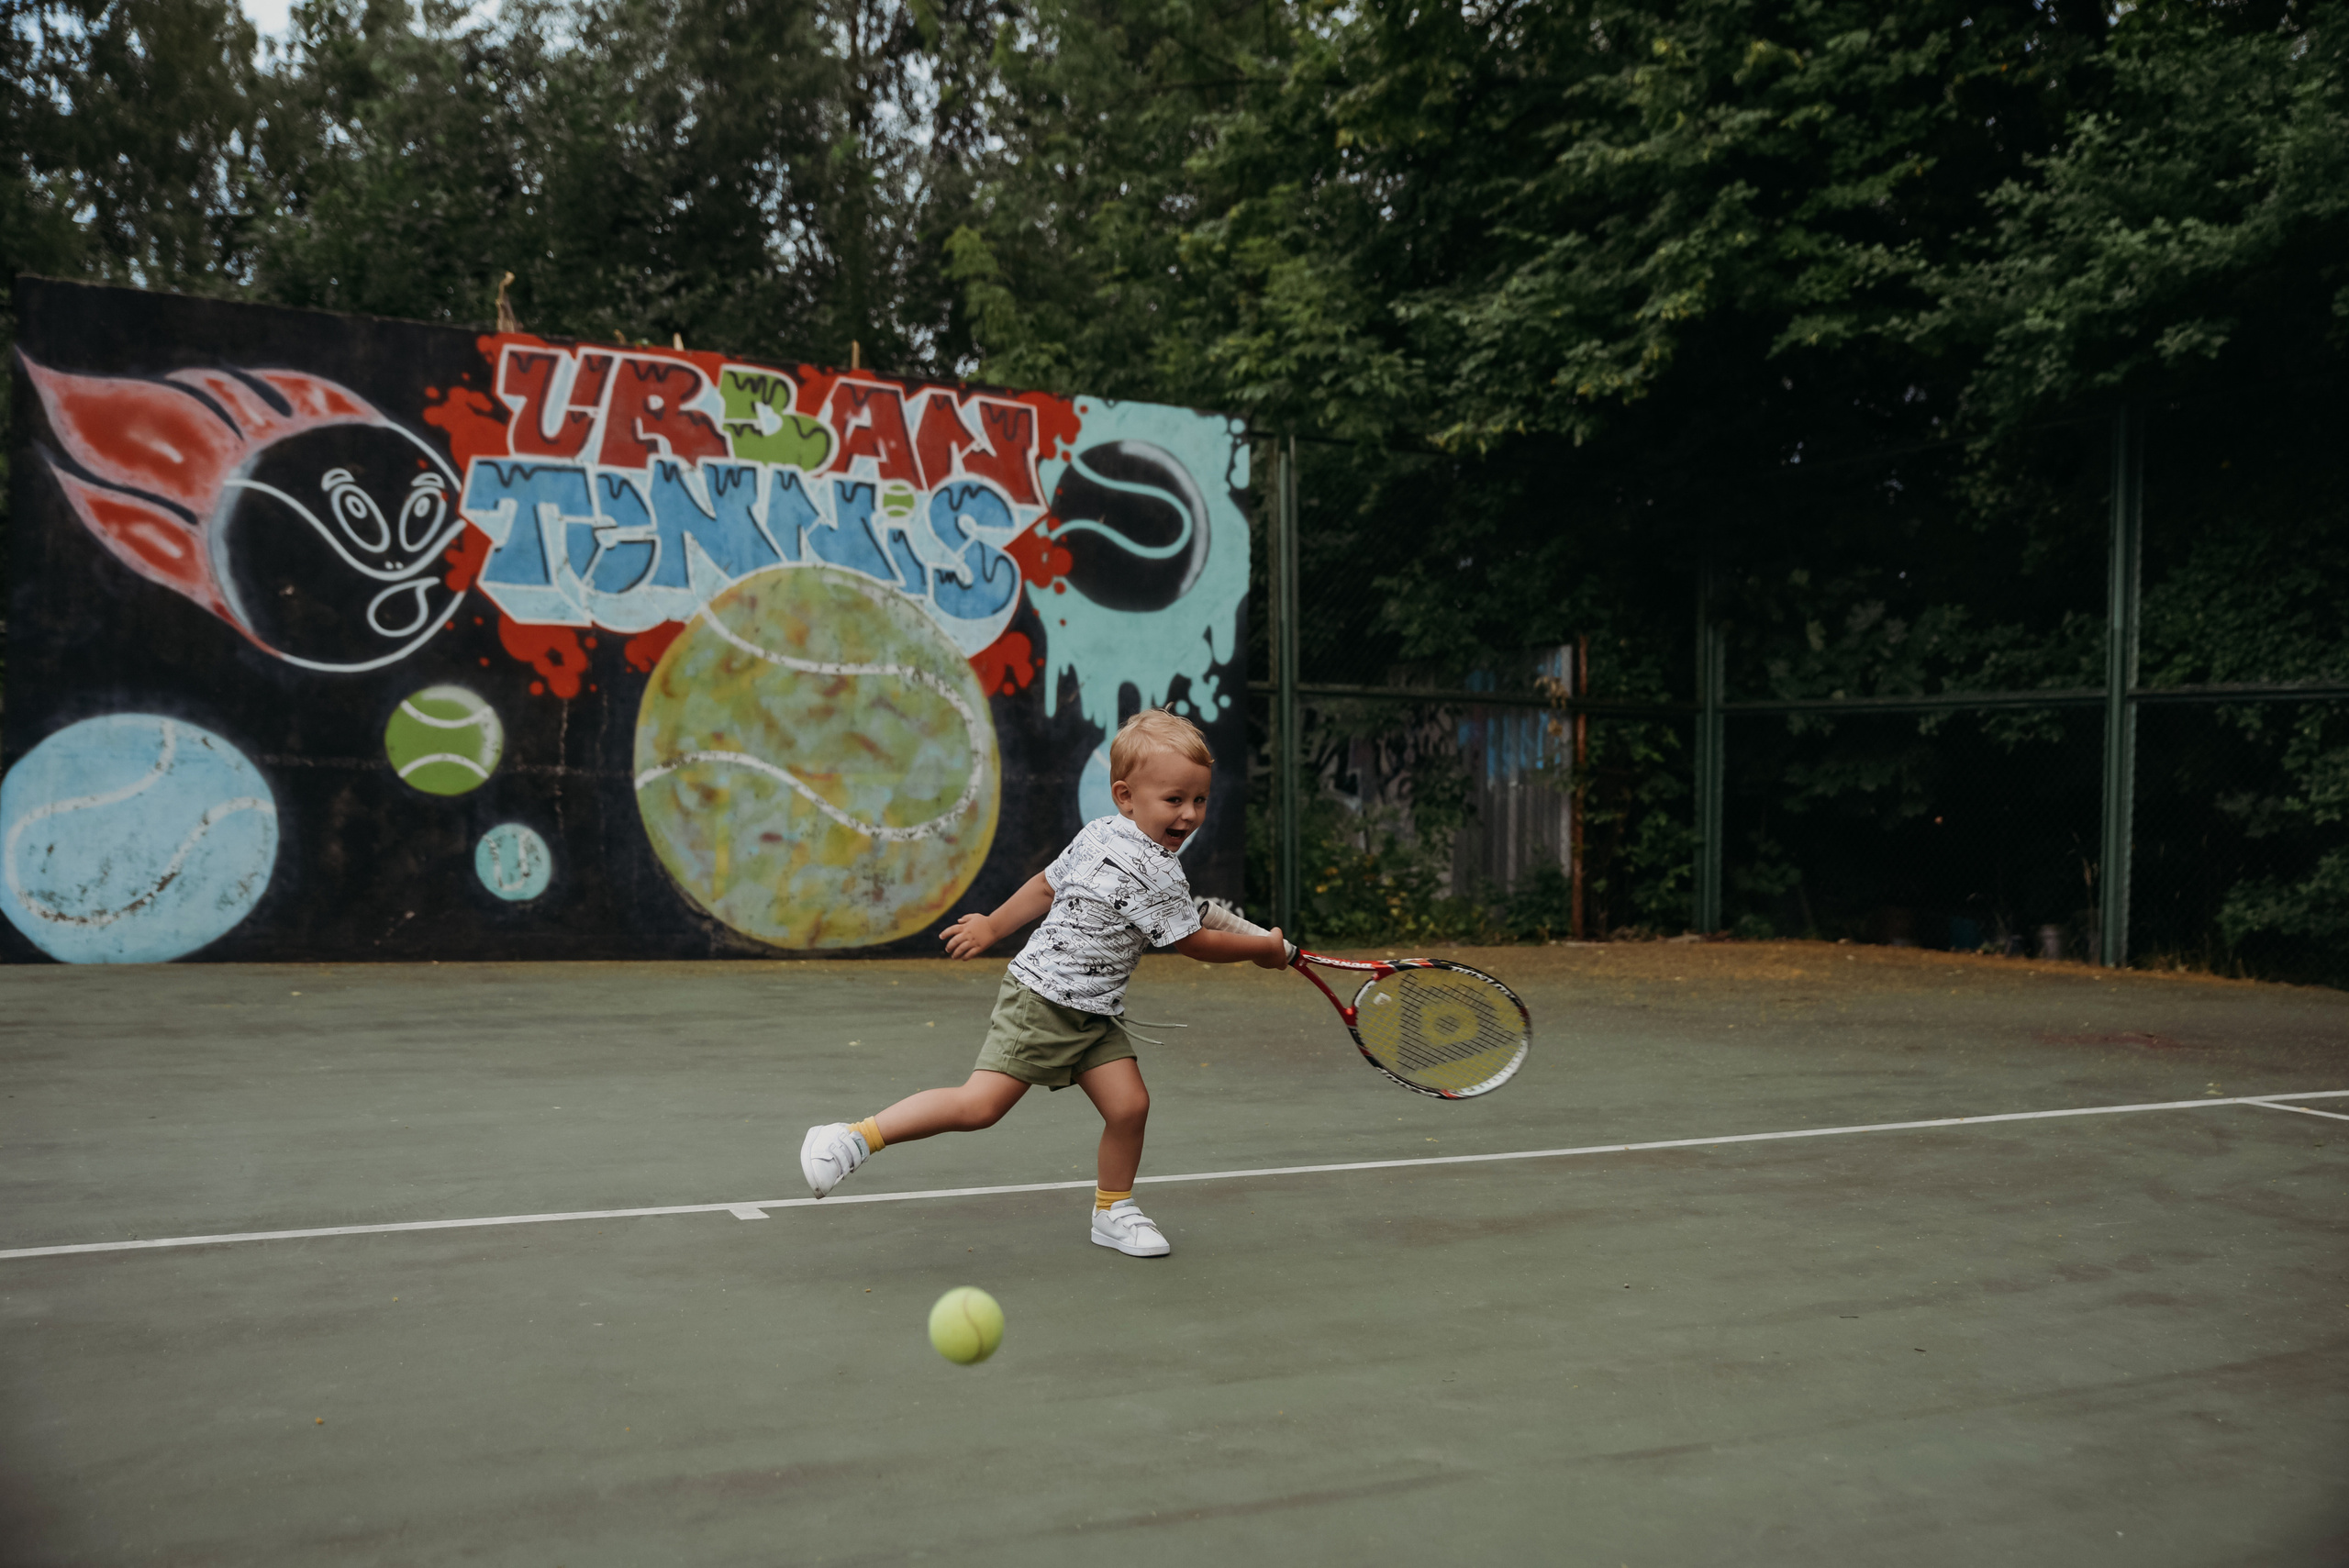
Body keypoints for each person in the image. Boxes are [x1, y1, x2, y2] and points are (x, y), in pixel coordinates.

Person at [797, 707, 1288, 1257]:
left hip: (1094, 1011)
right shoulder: (1141, 860)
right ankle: (851, 1139)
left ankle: (1113, 1211)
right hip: (1042, 1000)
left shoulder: (1111, 836)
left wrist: (992, 925)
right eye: (1174, 800)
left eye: (1199, 800)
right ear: (1125, 797)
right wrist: (1263, 951)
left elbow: (1050, 886)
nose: (1189, 814)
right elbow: (1189, 941)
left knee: (1129, 1107)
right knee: (979, 1107)